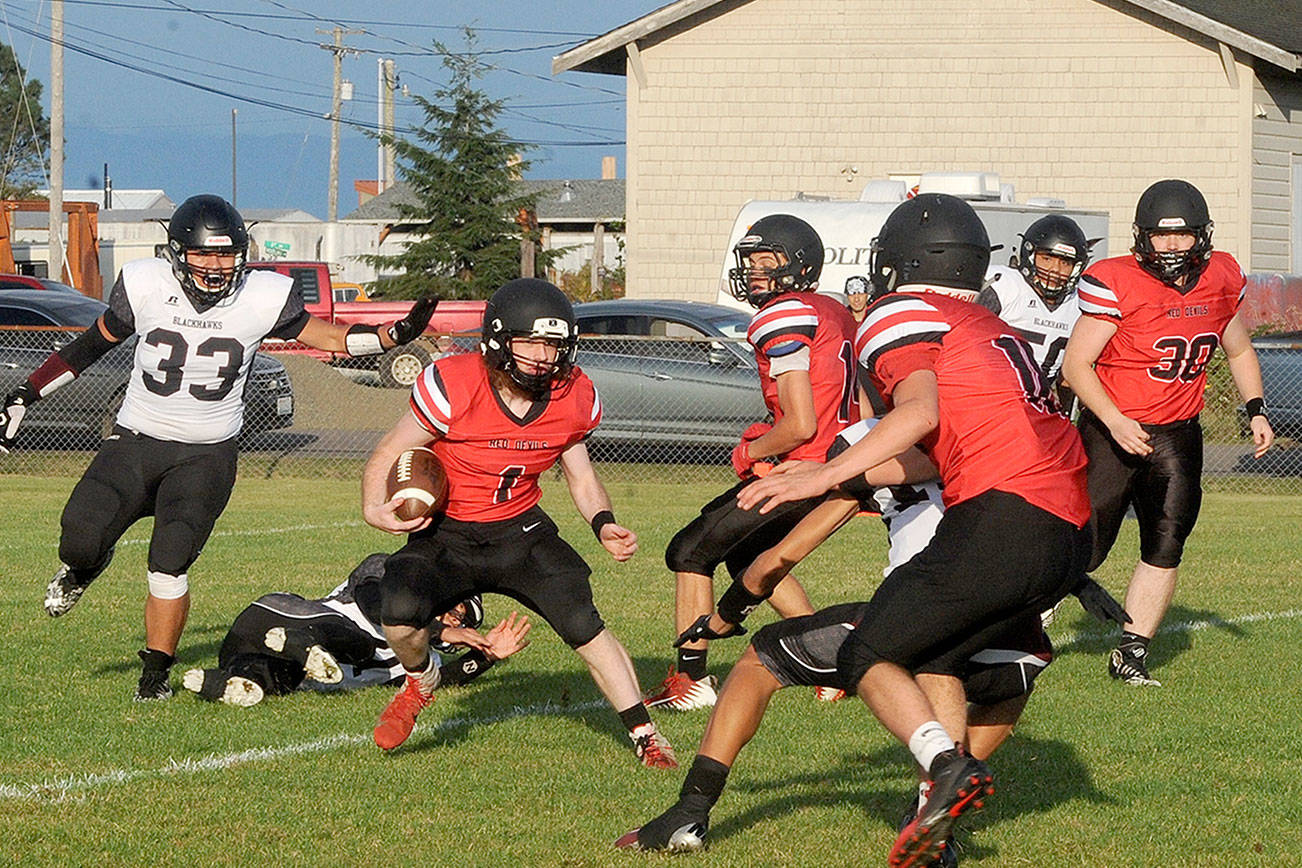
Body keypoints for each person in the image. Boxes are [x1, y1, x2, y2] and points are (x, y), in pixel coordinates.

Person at [734, 193, 1093, 867]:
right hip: (1070, 529)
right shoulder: (995, 328)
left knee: (867, 653)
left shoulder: (902, 310)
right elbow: (938, 450)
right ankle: (937, 836)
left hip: (1004, 513)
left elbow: (920, 412)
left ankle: (947, 770)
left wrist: (814, 477)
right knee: (933, 654)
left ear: (900, 262)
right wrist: (850, 478)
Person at [618, 419, 1127, 861]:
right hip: (1018, 644)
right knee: (1000, 667)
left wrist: (725, 617)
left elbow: (779, 558)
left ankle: (690, 811)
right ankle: (932, 816)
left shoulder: (869, 447)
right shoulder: (988, 438)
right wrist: (1077, 579)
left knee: (761, 661)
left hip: (921, 610)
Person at [0, 194, 437, 701]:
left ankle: (155, 673)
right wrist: (26, 393)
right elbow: (90, 345)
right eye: (203, 254)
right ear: (176, 253)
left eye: (227, 254)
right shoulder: (144, 284)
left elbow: (334, 340)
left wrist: (393, 335)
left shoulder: (264, 295)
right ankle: (85, 567)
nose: (215, 266)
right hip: (135, 440)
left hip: (206, 454)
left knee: (169, 562)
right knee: (79, 537)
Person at [360, 277, 677, 768]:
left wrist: (604, 523)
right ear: (498, 340)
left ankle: (645, 734)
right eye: (531, 342)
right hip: (446, 532)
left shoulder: (572, 395)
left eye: (554, 345)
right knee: (399, 613)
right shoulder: (456, 383)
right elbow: (390, 449)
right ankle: (421, 679)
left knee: (584, 624)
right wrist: (371, 506)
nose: (543, 357)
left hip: (519, 531)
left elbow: (581, 476)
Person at [644, 214, 861, 712]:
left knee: (689, 552)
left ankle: (691, 680)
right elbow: (860, 407)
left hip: (799, 470)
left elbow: (801, 422)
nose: (756, 272)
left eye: (769, 262)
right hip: (834, 466)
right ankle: (832, 663)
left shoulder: (782, 315)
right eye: (752, 261)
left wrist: (752, 449)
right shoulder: (834, 312)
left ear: (799, 267)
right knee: (750, 561)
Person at [1062, 179, 1274, 686]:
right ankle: (1024, 615)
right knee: (1083, 548)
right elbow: (1076, 365)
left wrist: (1257, 409)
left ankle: (1131, 655)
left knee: (1166, 541)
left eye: (1182, 236)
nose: (1173, 246)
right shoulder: (1117, 281)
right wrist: (1115, 420)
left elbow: (1238, 349)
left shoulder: (1221, 276)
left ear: (1202, 235)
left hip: (1177, 433)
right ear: (1142, 237)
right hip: (1112, 431)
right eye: (1161, 236)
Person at [181, 552, 531, 706]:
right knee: (362, 642)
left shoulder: (420, 662)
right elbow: (373, 600)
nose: (453, 619)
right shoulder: (388, 578)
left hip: (256, 646)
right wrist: (436, 629)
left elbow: (441, 680)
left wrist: (489, 658)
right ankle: (305, 644)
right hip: (288, 616)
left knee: (271, 680)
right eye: (452, 607)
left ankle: (217, 682)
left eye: (462, 619)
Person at [977, 213, 1091, 392]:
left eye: (1065, 262)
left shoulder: (1080, 303)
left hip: (1039, 402)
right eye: (1047, 258)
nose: (1055, 270)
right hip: (987, 392)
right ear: (1030, 255)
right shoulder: (1004, 285)